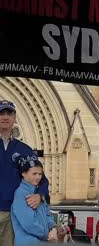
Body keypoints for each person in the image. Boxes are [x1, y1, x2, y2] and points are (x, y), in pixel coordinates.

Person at [0, 100, 50, 246]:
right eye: (2, 113)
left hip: (12, 216)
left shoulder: (23, 149)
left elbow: (42, 178)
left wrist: (39, 195)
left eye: (9, 113)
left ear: (15, 118)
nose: (5, 117)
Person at [10, 154, 57, 245]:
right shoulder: (20, 194)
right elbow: (29, 224)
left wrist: (53, 228)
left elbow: (48, 215)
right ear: (23, 173)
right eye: (34, 174)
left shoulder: (40, 193)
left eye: (40, 174)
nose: (38, 177)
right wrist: (47, 235)